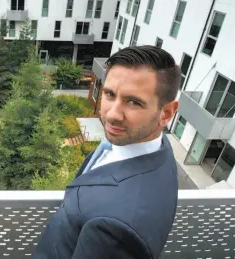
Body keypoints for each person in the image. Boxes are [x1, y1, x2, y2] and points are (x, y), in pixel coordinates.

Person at [34, 45, 181, 259]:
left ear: (166, 113)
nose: (112, 115)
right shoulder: (156, 149)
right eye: (110, 94)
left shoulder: (116, 227)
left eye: (133, 102)